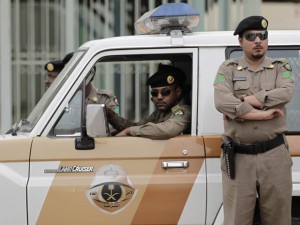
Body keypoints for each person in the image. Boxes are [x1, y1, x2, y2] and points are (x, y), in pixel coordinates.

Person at [214, 16, 295, 225]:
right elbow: (222, 102)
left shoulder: (280, 66)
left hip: (274, 155)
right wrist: (262, 113)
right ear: (240, 41)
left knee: (279, 219)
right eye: (251, 36)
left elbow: (286, 92)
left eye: (263, 35)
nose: (258, 40)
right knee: (236, 220)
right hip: (239, 157)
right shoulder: (227, 68)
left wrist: (244, 101)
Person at [106, 63, 191, 139]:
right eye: (154, 93)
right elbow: (136, 126)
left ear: (178, 92)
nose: (159, 97)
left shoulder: (181, 111)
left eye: (165, 92)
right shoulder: (160, 113)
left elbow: (168, 129)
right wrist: (111, 115)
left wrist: (129, 131)